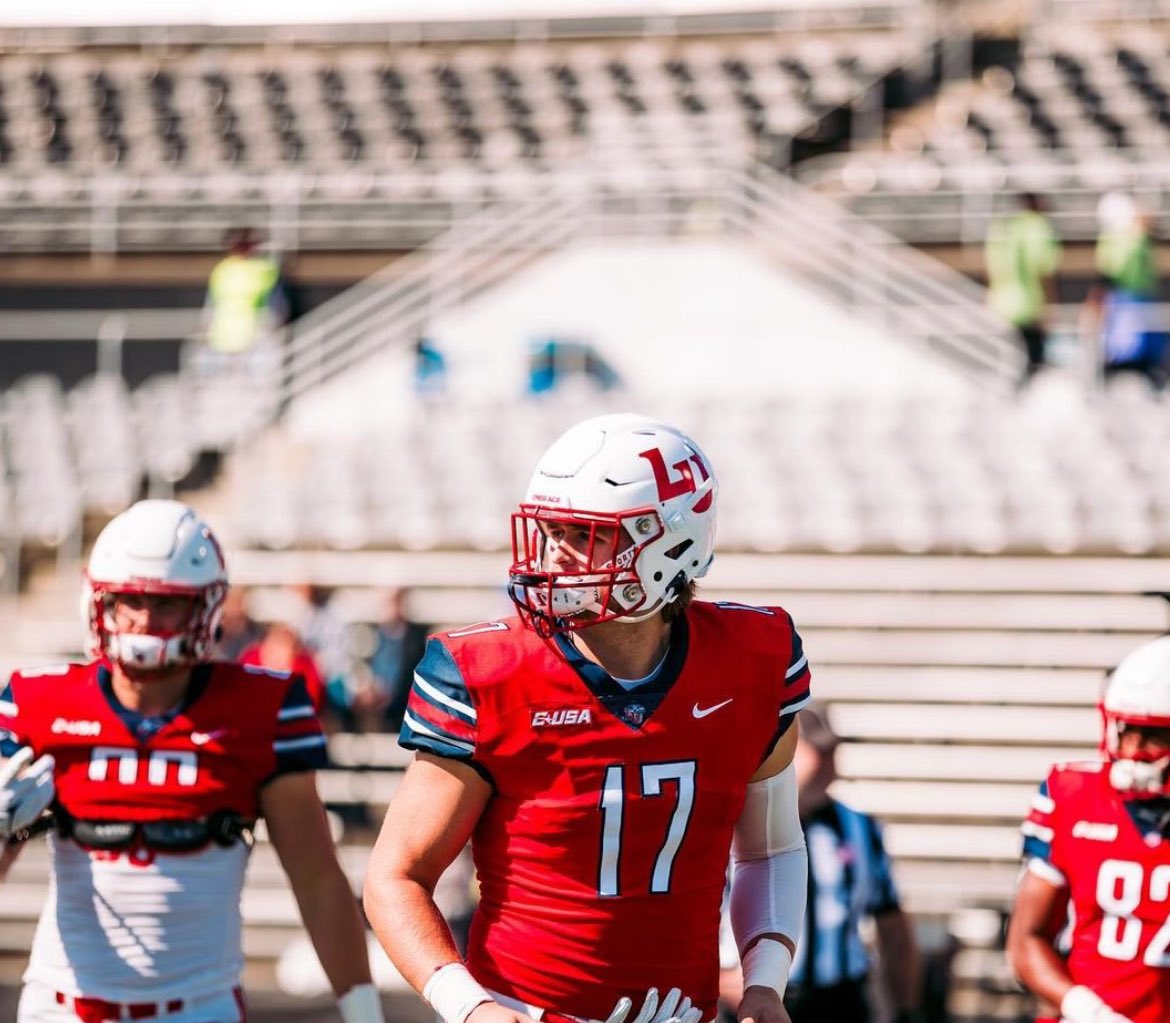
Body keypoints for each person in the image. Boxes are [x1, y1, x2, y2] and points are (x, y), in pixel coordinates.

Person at [363, 412, 814, 1023]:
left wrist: (764, 984)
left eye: (583, 532)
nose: (553, 550)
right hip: (525, 1011)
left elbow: (769, 851)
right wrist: (471, 1010)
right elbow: (398, 875)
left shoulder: (753, 659)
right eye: (549, 528)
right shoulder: (490, 670)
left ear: (671, 543)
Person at [0, 499, 384, 1023]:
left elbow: (315, 875)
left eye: (166, 604)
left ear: (204, 607)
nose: (142, 618)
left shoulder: (262, 710)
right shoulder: (38, 703)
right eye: (127, 599)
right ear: (99, 602)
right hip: (62, 1007)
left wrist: (363, 1013)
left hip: (196, 1008)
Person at [1006, 634, 1170, 1023]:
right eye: (1126, 730)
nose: (1131, 751)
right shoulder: (1073, 795)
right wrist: (1086, 1009)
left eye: (1153, 736)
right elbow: (1026, 940)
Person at [782, 704, 919, 1023]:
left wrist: (905, 1007)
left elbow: (892, 924)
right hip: (758, 996)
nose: (829, 766)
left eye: (832, 753)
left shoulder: (859, 827)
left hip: (839, 999)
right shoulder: (739, 823)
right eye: (817, 752)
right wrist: (722, 980)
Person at [984, 192, 1062, 387]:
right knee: (1033, 360)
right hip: (1029, 302)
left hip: (1002, 302)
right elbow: (1043, 269)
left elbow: (992, 265)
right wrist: (1050, 304)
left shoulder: (1001, 227)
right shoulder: (1038, 227)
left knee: (1012, 360)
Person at [203, 227, 283, 360]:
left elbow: (276, 305)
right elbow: (211, 303)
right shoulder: (222, 269)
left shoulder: (266, 269)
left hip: (256, 337)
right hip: (223, 337)